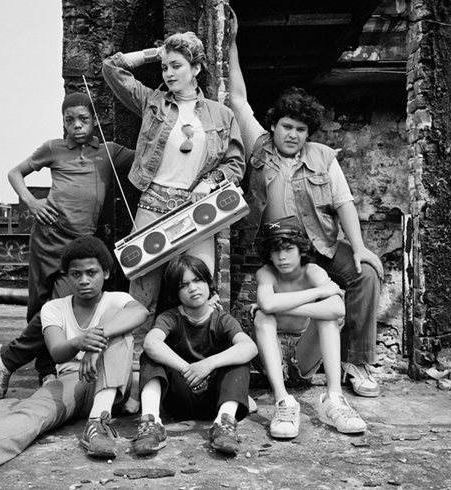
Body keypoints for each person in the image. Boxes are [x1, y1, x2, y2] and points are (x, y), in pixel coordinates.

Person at [228, 10, 383, 398]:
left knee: (365, 273)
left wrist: (359, 247)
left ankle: (356, 363)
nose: (293, 135)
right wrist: (231, 42)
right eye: (287, 126)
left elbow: (344, 202)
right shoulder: (258, 145)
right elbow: (237, 98)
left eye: (301, 129)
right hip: (275, 249)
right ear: (273, 125)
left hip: (320, 246)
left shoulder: (322, 157)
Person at [0, 236, 149, 480]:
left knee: (117, 324)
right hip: (75, 379)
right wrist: (80, 341)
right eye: (76, 274)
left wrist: (96, 344)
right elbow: (57, 351)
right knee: (34, 409)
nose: (84, 280)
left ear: (106, 273)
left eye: (92, 273)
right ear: (66, 277)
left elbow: (139, 311)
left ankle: (98, 422)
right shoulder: (54, 308)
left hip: (114, 385)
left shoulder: (116, 299)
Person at [101, 31, 245, 354]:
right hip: (152, 207)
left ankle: (201, 368)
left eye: (176, 65)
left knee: (202, 295)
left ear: (196, 69)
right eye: (165, 67)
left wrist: (210, 182)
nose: (168, 73)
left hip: (196, 213)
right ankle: (132, 369)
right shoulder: (152, 102)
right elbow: (112, 68)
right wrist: (157, 52)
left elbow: (236, 163)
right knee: (141, 300)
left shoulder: (221, 114)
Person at [0, 92, 135, 398]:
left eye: (83, 119)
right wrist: (31, 202)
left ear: (95, 120)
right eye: (70, 120)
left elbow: (146, 157)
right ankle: (45, 370)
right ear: (63, 123)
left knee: (59, 304)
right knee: (38, 305)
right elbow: (15, 173)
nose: (77, 126)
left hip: (78, 245)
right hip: (48, 236)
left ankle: (6, 358)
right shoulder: (53, 148)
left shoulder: (109, 152)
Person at [130, 255, 258, 456]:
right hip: (180, 399)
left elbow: (250, 347)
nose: (193, 288)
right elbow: (151, 343)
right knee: (150, 356)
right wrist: (187, 369)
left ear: (208, 283)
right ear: (176, 292)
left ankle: (224, 423)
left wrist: (208, 364)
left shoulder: (222, 319)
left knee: (239, 359)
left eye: (198, 280)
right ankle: (151, 423)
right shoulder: (170, 317)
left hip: (215, 400)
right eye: (184, 285)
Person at [253, 216, 367, 438]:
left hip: (302, 356)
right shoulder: (266, 272)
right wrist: (319, 292)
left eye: (288, 249)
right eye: (275, 251)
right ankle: (283, 401)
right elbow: (266, 304)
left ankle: (334, 398)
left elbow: (338, 309)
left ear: (300, 249)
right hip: (270, 355)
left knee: (327, 318)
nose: (282, 257)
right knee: (262, 317)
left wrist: (282, 307)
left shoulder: (313, 271)